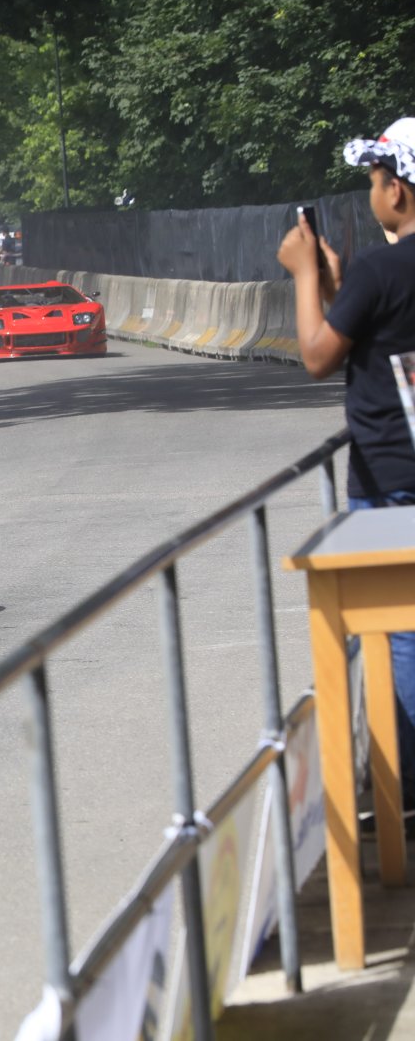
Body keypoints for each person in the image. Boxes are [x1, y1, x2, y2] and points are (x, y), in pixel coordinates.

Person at [278, 115, 415, 805]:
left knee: (399, 635)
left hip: (392, 482)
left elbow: (317, 355)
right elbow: (381, 337)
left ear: (398, 189)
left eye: (374, 178)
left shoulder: (382, 269)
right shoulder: (373, 277)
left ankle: (403, 788)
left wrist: (306, 276)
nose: (372, 190)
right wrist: (340, 291)